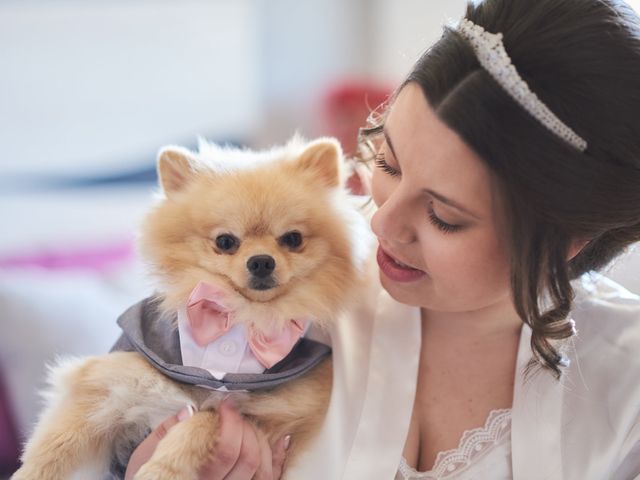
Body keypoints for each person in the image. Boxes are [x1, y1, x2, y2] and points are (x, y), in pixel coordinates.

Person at [126, 0, 640, 478]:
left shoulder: (626, 382)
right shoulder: (274, 299)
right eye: (386, 163)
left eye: (443, 216)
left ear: (565, 240)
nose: (381, 223)